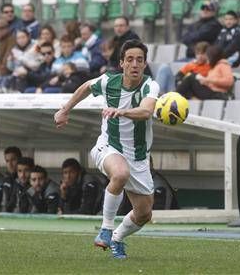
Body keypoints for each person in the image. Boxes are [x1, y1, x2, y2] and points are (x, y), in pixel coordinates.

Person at [54, 39, 160, 259]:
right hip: (108, 146)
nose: (134, 64)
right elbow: (85, 87)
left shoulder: (151, 86)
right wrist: (65, 110)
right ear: (121, 63)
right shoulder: (108, 81)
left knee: (144, 213)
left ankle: (117, 239)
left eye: (139, 60)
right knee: (120, 174)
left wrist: (122, 112)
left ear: (144, 64)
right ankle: (105, 228)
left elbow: (146, 112)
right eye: (129, 59)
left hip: (138, 157)